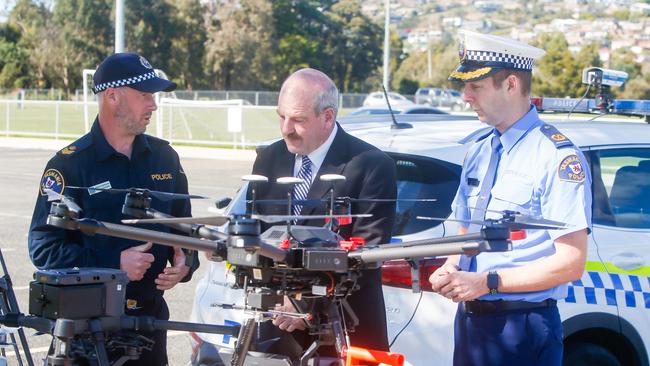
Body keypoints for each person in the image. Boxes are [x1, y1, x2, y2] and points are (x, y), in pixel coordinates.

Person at [429, 30, 592, 366]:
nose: (465, 96)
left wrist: (487, 282)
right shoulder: (479, 151)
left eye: (475, 86)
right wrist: (450, 267)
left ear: (511, 84)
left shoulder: (555, 156)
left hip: (521, 325)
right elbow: (467, 236)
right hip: (473, 322)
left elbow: (571, 263)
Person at [28, 52, 199, 365]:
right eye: (145, 95)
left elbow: (185, 229)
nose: (154, 105)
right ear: (112, 97)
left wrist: (186, 262)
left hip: (150, 322)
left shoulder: (165, 158)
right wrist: (112, 265)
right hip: (86, 329)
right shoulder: (69, 165)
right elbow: (44, 249)